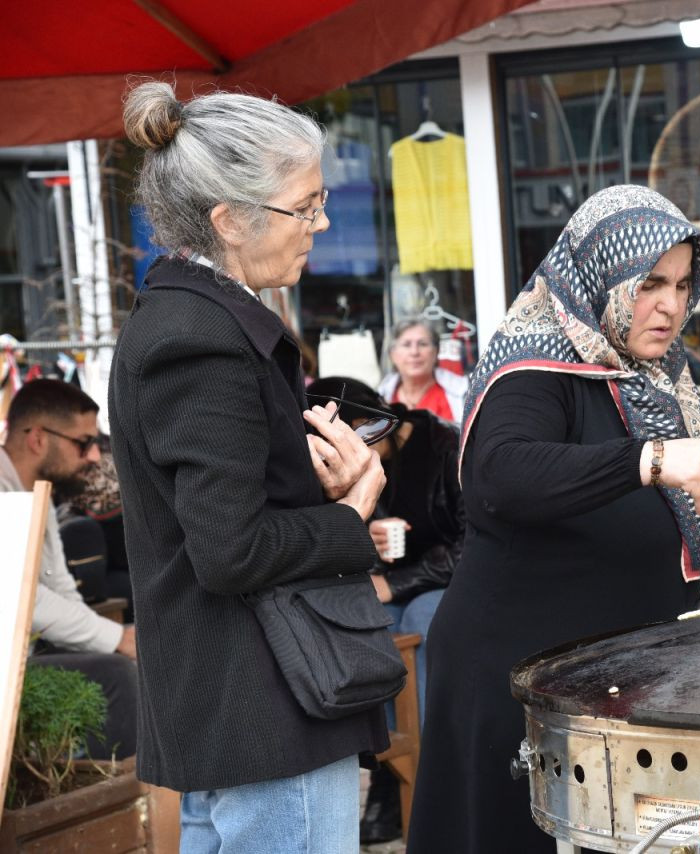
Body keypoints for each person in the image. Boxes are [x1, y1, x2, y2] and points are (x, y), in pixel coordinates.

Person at [406, 185, 700, 853]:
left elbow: (690, 504)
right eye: (648, 283)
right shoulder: (535, 363)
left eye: (680, 283)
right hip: (518, 687)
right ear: (602, 274)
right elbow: (499, 478)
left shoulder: (657, 373)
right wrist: (652, 457)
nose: (669, 304)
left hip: (615, 690)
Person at [109, 81, 388, 853]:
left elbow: (222, 513)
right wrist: (346, 516)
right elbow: (229, 551)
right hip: (264, 700)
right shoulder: (198, 337)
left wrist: (309, 484)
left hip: (245, 699)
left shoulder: (193, 319)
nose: (322, 223)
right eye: (306, 206)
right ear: (230, 220)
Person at [306, 376, 464, 844]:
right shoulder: (353, 466)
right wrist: (367, 537)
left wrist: (394, 583)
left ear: (368, 425)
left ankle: (427, 769)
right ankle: (391, 768)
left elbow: (471, 542)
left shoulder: (445, 446)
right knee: (371, 628)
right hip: (394, 585)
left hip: (455, 580)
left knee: (418, 620)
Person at [0, 379, 138, 760]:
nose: (95, 456)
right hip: (8, 670)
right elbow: (20, 594)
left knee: (123, 663)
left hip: (23, 657)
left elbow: (58, 585)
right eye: (83, 442)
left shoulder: (35, 491)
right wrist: (117, 638)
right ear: (38, 438)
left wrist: (118, 640)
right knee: (117, 676)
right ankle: (126, 804)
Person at [378, 318, 468, 423]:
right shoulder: (382, 397)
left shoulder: (464, 394)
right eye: (406, 345)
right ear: (392, 354)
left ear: (436, 351)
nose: (414, 352)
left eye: (423, 344)